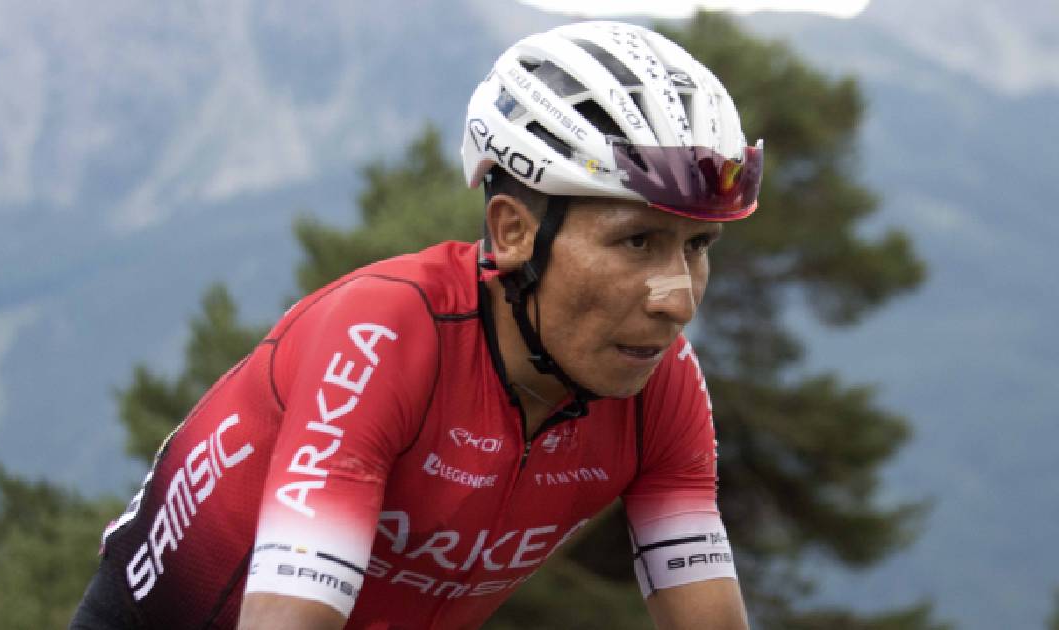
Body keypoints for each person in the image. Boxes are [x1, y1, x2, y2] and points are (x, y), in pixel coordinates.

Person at [71, 19, 763, 630]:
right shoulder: (383, 335)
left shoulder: (660, 386)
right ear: (513, 231)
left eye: (698, 246)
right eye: (637, 241)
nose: (677, 301)